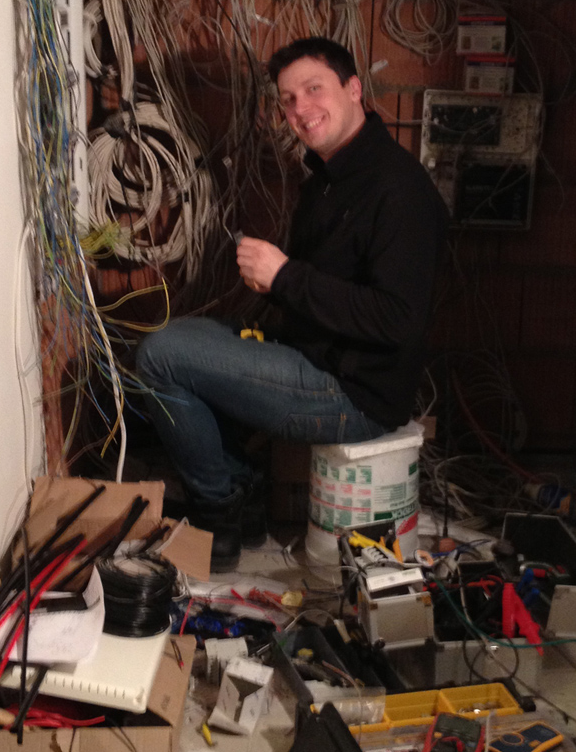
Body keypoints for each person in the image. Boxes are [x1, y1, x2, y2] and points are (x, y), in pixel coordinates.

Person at [135, 37, 449, 569]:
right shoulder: (329, 177)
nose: (301, 108)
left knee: (162, 355)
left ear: (354, 89)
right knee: (181, 342)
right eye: (288, 100)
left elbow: (398, 319)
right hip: (314, 354)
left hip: (354, 393)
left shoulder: (398, 188)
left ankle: (220, 512)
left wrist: (285, 276)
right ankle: (240, 496)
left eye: (314, 89)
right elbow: (328, 284)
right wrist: (277, 284)